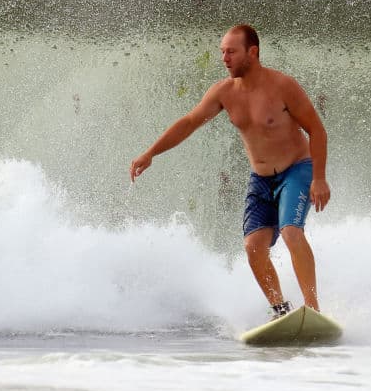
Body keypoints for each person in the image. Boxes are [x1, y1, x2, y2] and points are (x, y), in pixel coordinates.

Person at [129, 24, 331, 318]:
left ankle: (314, 310)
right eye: (222, 52)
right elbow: (189, 123)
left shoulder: (283, 86)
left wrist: (320, 177)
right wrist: (151, 153)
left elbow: (317, 130)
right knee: (253, 247)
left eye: (232, 52)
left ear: (253, 52)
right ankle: (281, 311)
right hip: (260, 179)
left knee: (290, 232)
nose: (225, 58)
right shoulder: (224, 92)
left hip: (296, 170)